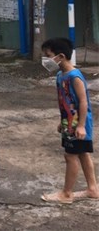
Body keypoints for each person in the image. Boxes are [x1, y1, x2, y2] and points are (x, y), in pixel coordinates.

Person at [40, 37, 99, 204]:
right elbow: (65, 101)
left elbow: (83, 102)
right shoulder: (60, 75)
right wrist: (63, 121)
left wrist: (81, 126)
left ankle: (66, 194)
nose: (46, 59)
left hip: (78, 124)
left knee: (70, 156)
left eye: (48, 55)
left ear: (61, 56)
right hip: (69, 122)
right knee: (83, 154)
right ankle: (93, 189)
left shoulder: (74, 76)